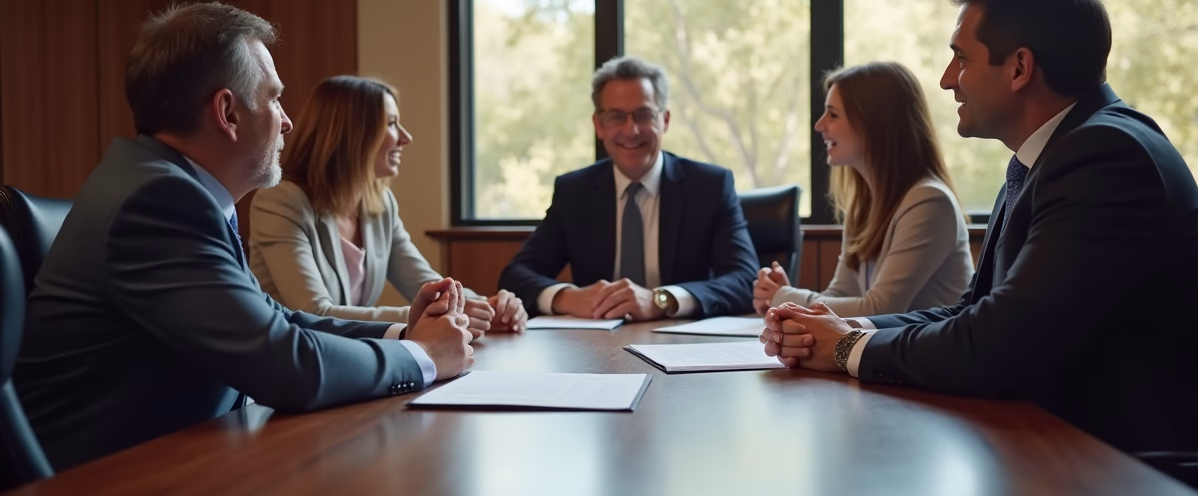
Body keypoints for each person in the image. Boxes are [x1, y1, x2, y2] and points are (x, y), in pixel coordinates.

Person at [12, 3, 473, 471]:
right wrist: (421, 355)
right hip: (109, 477)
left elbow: (274, 319)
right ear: (228, 112)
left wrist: (403, 332)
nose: (287, 121)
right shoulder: (159, 200)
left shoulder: (165, 185)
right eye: (274, 99)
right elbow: (283, 365)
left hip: (185, 456)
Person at [761, 0, 1198, 454]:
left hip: (1125, 466)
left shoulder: (1104, 155)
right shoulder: (1045, 158)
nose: (946, 79)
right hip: (1055, 448)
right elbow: (971, 310)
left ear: (1019, 68)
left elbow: (1000, 344)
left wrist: (846, 347)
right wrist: (837, 326)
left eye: (961, 58)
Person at [249, 75, 527, 337]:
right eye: (391, 124)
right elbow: (313, 312)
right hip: (289, 360)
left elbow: (428, 285)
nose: (405, 138)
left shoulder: (380, 205)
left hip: (348, 355)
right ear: (353, 133)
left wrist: (489, 307)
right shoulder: (280, 202)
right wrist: (429, 315)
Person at [498, 56, 758, 321]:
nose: (631, 130)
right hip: (594, 341)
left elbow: (746, 280)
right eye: (616, 116)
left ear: (665, 120)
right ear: (599, 126)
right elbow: (516, 275)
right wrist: (568, 297)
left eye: (644, 115)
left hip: (681, 341)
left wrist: (662, 300)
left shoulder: (709, 187)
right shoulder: (575, 192)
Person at [752, 62, 973, 318]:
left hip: (932, 346)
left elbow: (879, 309)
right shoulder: (865, 204)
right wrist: (786, 298)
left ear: (874, 124)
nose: (819, 125)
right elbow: (841, 294)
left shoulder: (930, 202)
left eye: (833, 115)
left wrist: (786, 297)